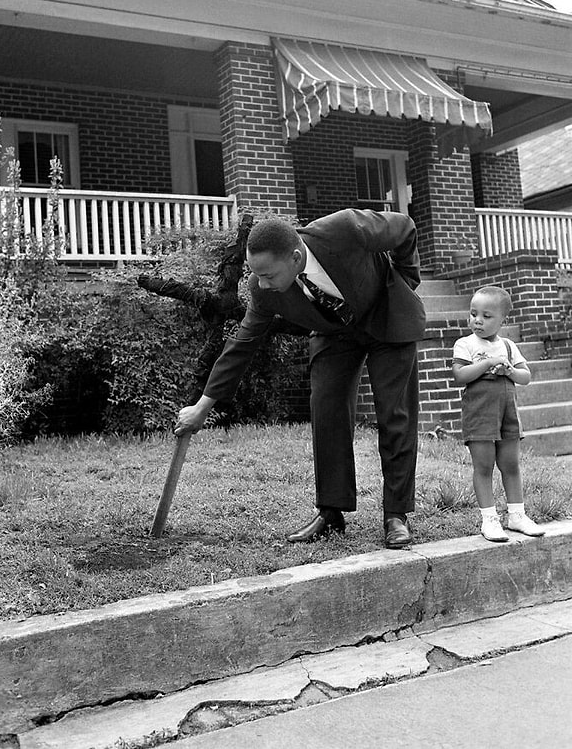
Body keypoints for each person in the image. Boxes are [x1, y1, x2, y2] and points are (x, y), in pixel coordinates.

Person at [175, 208, 426, 549]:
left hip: (386, 315)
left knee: (394, 414)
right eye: (256, 275)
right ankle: (331, 511)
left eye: (267, 275)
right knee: (326, 409)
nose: (261, 284)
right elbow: (242, 345)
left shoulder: (344, 229)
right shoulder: (263, 289)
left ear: (295, 257)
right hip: (335, 332)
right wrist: (203, 406)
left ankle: (396, 514)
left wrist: (406, 281)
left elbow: (404, 228)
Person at [452, 285, 545, 543]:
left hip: (507, 411)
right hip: (479, 412)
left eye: (486, 316)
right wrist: (486, 363)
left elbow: (525, 376)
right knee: (484, 465)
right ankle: (489, 519)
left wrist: (509, 372)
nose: (477, 320)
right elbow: (460, 375)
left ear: (503, 320)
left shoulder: (507, 345)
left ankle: (517, 515)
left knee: (511, 464)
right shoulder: (466, 344)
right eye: (473, 314)